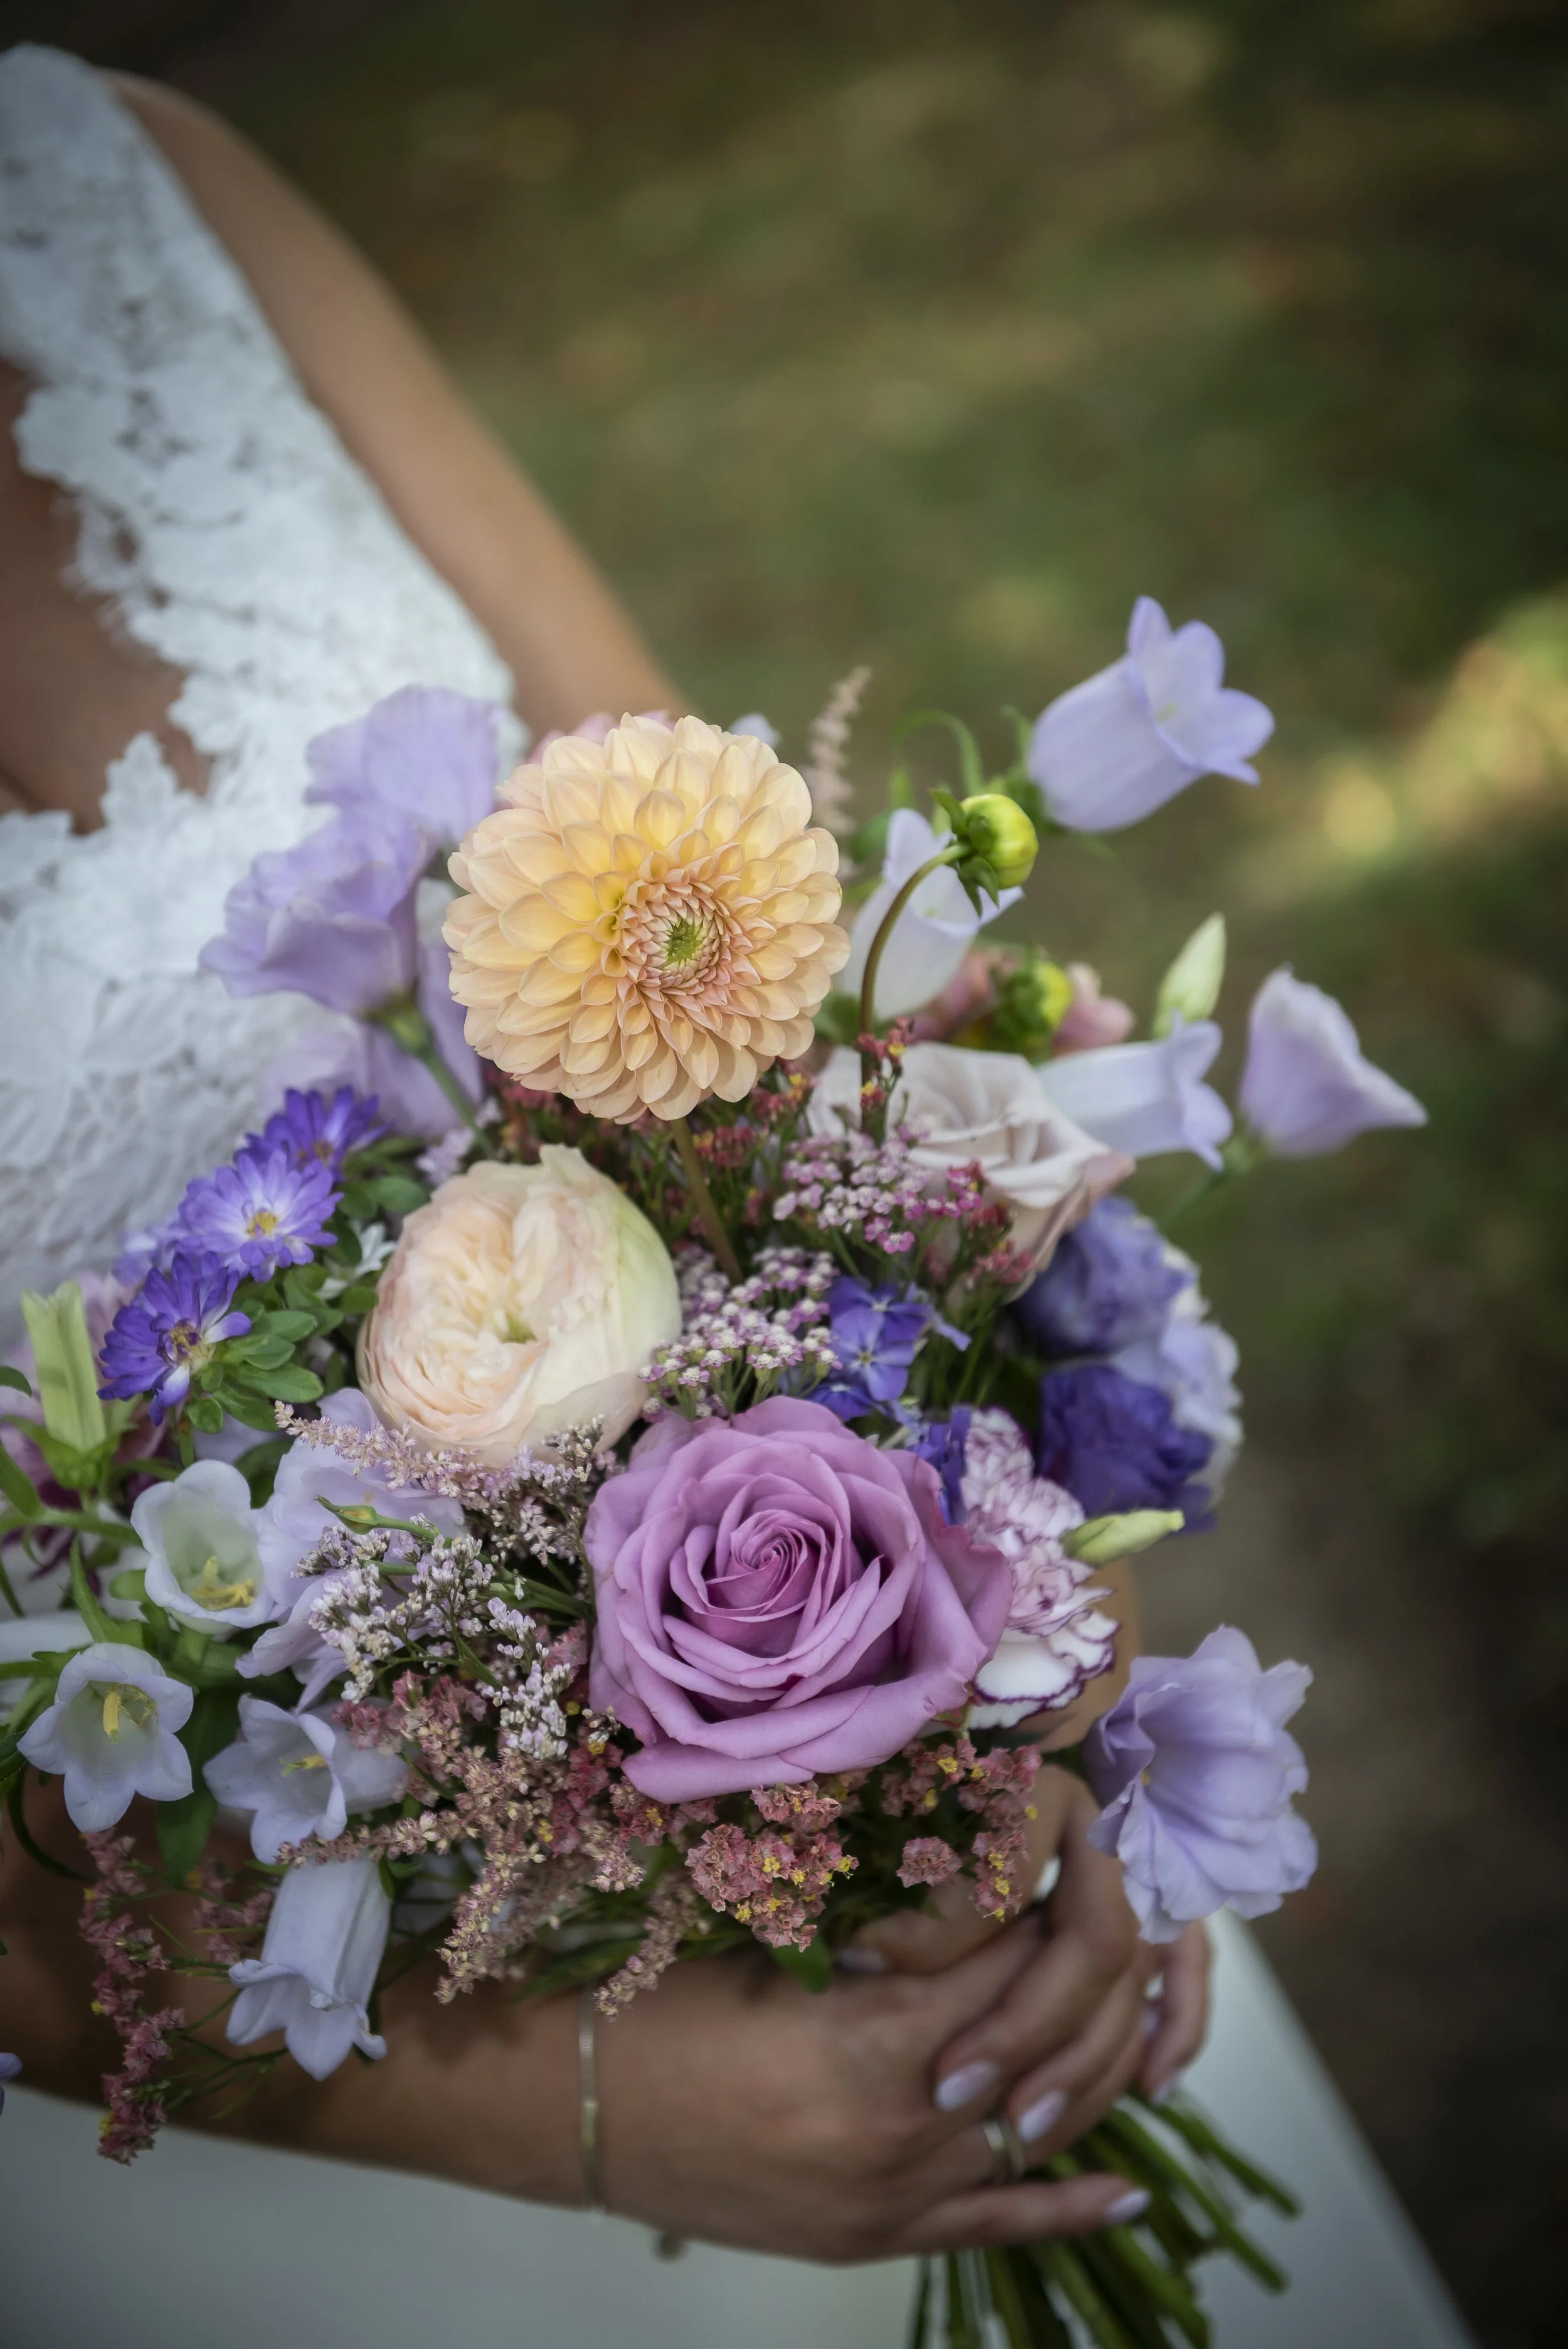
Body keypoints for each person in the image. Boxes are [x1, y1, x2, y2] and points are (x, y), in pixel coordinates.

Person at [0, 37, 1203, 2309]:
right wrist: (578, 2117)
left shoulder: (109, 173)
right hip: (353, 2111)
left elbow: (736, 906)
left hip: (917, 1895)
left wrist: (1021, 1647)